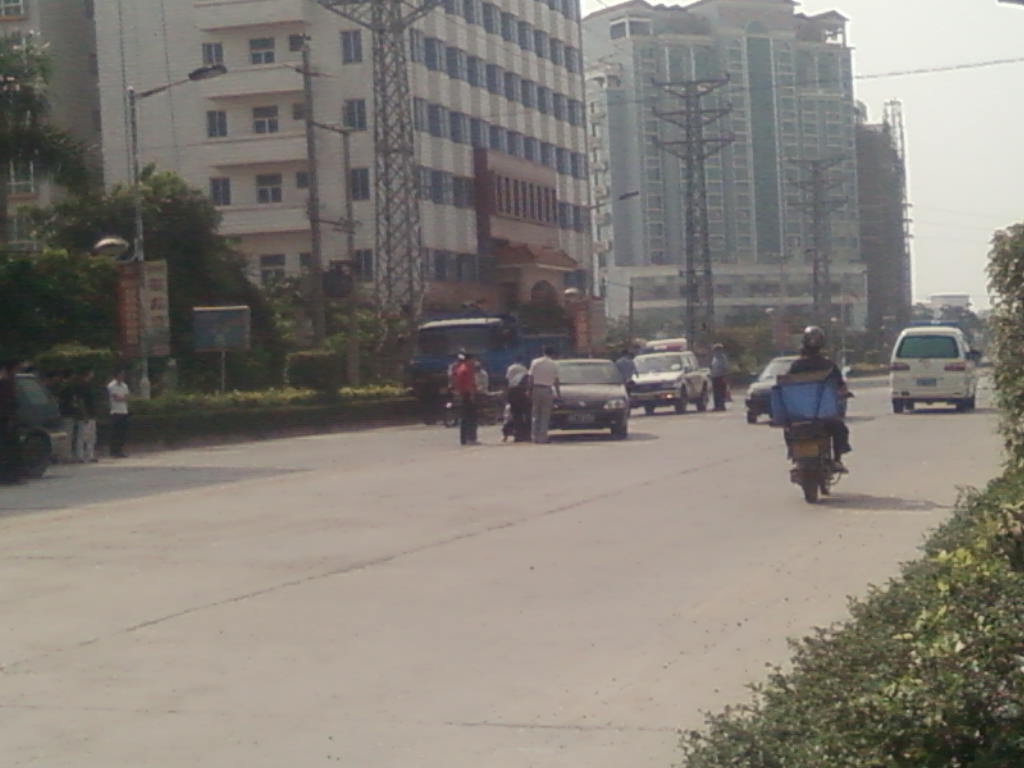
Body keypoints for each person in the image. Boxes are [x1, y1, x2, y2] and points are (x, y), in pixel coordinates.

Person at [787, 325, 852, 471]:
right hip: (824, 415)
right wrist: (843, 393)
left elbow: (787, 386)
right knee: (840, 429)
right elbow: (841, 386)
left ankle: (794, 455)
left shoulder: (796, 365)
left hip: (800, 415)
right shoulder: (828, 365)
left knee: (789, 429)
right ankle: (837, 460)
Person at [528, 346, 560, 444]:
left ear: (543, 352)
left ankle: (534, 437)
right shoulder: (554, 364)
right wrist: (558, 393)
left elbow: (531, 377)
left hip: (536, 388)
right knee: (545, 415)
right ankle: (543, 438)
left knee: (535, 414)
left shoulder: (535, 362)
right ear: (552, 354)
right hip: (547, 389)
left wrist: (529, 390)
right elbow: (556, 380)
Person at [450, 352, 479, 446]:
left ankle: (464, 439)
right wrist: (472, 395)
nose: (475, 362)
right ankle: (470, 438)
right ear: (469, 360)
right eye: (473, 360)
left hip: (463, 394)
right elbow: (469, 384)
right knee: (471, 417)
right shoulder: (467, 369)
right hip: (467, 395)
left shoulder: (460, 368)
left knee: (465, 417)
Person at [0, 359, 21, 483]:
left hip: (7, 418)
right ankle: (8, 476)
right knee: (8, 448)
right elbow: (8, 402)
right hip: (5, 419)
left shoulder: (8, 381)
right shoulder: (5, 383)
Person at [73, 367, 98, 463]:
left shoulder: (89, 385)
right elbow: (80, 401)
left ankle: (90, 454)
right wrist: (84, 414)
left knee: (91, 436)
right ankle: (80, 455)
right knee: (82, 436)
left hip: (91, 414)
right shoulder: (82, 386)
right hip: (85, 415)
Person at [56, 369, 80, 462]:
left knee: (62, 435)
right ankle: (66, 456)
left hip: (61, 412)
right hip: (68, 412)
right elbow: (72, 401)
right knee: (68, 435)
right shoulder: (68, 387)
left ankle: (61, 455)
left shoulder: (60, 386)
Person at [504, 357, 531, 442]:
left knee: (515, 414)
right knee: (525, 413)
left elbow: (507, 380)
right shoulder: (524, 369)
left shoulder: (510, 368)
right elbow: (527, 380)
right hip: (521, 392)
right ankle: (525, 434)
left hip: (512, 391)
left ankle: (517, 435)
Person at [107, 369, 131, 458]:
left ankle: (120, 450)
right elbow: (116, 398)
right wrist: (122, 398)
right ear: (116, 375)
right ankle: (113, 451)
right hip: (115, 411)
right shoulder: (111, 385)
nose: (122, 376)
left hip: (124, 411)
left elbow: (126, 397)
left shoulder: (125, 385)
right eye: (121, 375)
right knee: (114, 433)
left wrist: (122, 398)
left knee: (122, 433)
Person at [709, 343, 730, 411]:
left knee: (721, 392)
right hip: (715, 377)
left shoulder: (722, 358)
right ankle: (717, 406)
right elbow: (713, 366)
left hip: (720, 377)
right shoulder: (715, 358)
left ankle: (722, 406)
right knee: (716, 393)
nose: (714, 351)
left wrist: (725, 376)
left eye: (716, 350)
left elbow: (725, 368)